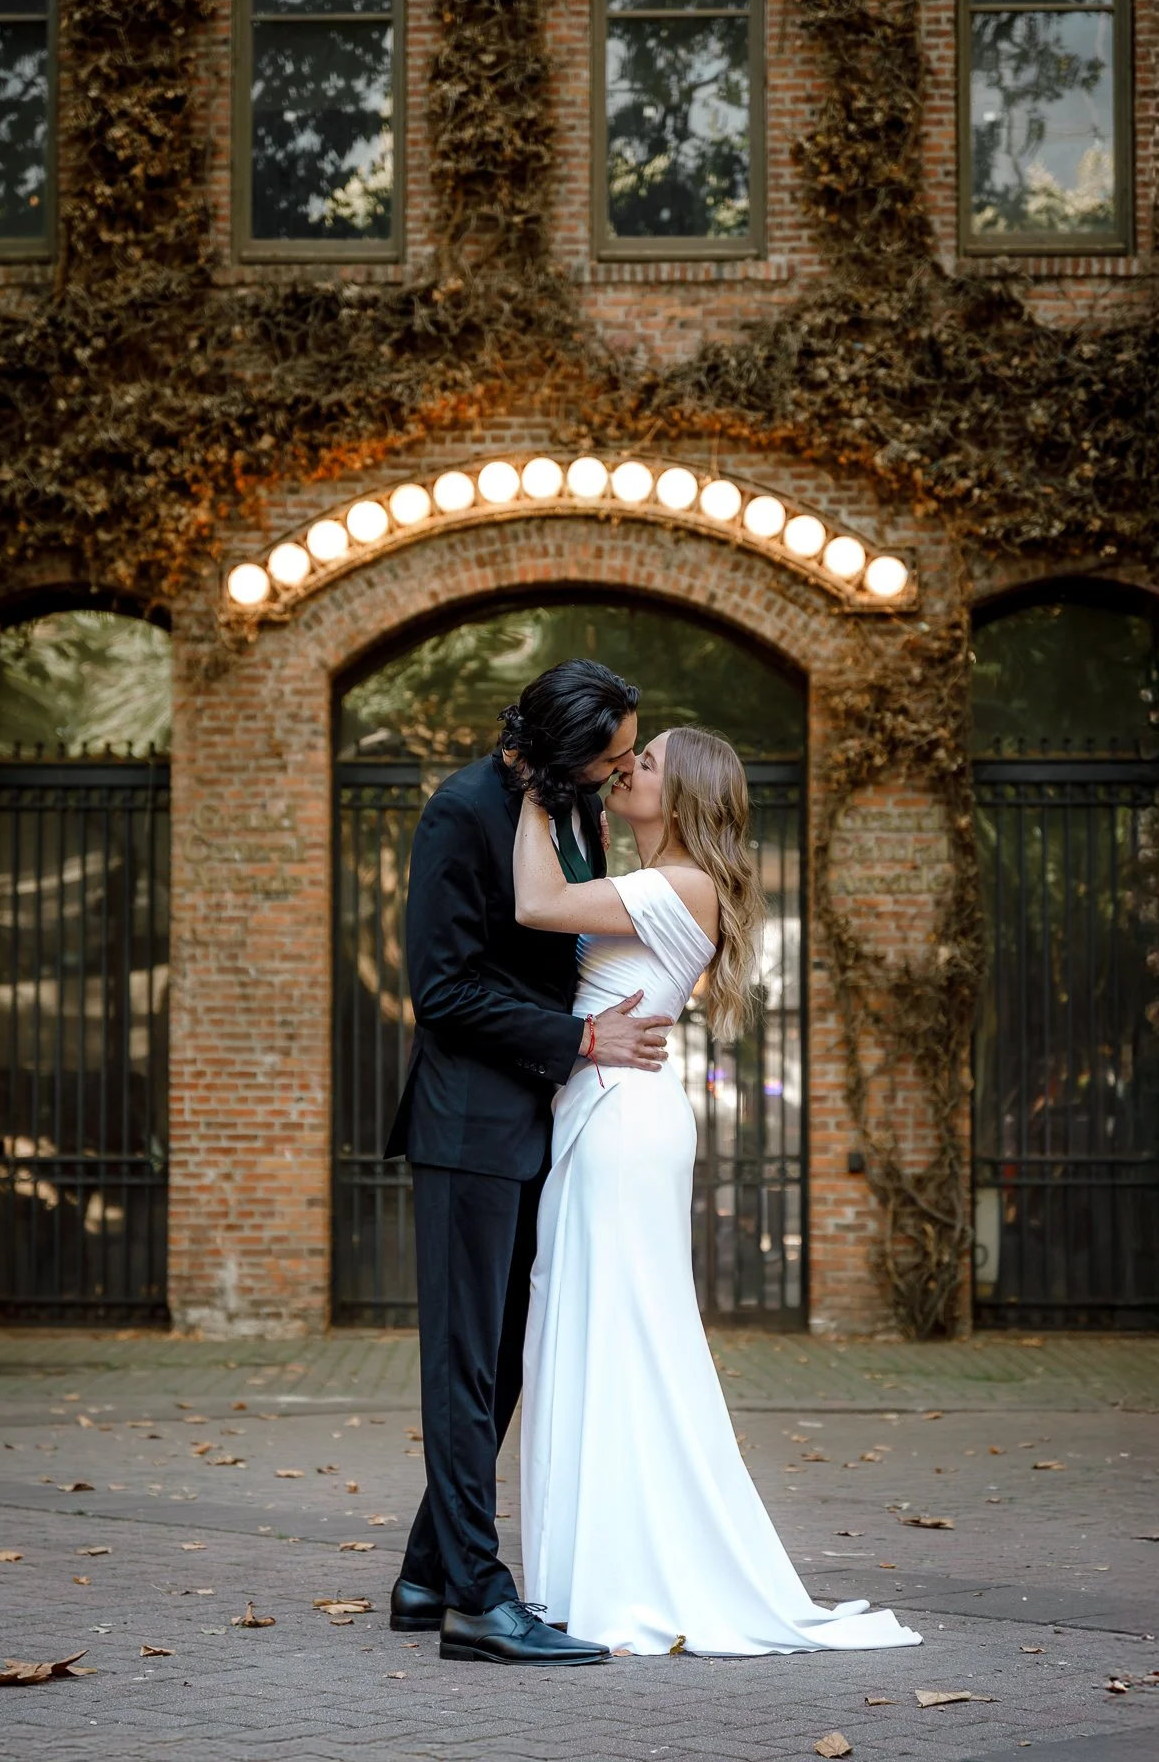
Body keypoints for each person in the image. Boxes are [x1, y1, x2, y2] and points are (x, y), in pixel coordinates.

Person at [515, 726, 925, 1658]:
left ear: (685, 793)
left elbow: (536, 903)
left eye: (645, 762)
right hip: (605, 1110)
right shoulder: (646, 876)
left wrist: (536, 789)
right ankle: (585, 1569)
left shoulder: (685, 883)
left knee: (621, 1337)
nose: (627, 768)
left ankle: (622, 1572)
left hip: (623, 1122)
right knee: (585, 1333)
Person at [383, 659, 673, 1666]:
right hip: (466, 1124)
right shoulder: (459, 812)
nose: (623, 768)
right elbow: (443, 989)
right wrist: (584, 1041)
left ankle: (428, 1568)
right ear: (560, 751)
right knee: (466, 1363)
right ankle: (477, 1599)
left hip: (540, 1125)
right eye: (613, 754)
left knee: (505, 1359)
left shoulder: (570, 808)